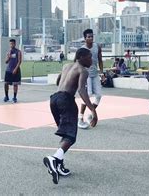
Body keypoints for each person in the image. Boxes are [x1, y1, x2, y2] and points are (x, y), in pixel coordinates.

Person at [43, 48, 98, 184]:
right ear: (81, 57)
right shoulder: (83, 70)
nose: (91, 60)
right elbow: (81, 90)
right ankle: (54, 159)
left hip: (54, 99)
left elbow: (58, 82)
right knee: (70, 136)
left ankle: (59, 165)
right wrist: (93, 110)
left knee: (65, 134)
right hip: (66, 100)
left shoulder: (66, 66)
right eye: (89, 57)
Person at [78, 29, 103, 129]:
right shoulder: (82, 49)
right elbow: (77, 63)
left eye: (92, 36)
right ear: (85, 38)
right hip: (86, 75)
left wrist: (102, 72)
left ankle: (90, 114)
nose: (91, 38)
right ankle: (80, 118)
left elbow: (100, 59)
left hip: (95, 74)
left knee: (99, 96)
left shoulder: (97, 47)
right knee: (87, 95)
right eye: (88, 37)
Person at [4, 39, 22, 103]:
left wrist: (15, 69)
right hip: (8, 70)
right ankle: (6, 96)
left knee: (15, 84)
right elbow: (6, 62)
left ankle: (14, 97)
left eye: (12, 43)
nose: (11, 45)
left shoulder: (18, 52)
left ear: (15, 44)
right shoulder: (9, 52)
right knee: (6, 83)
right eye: (10, 44)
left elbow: (19, 61)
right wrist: (8, 57)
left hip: (15, 70)